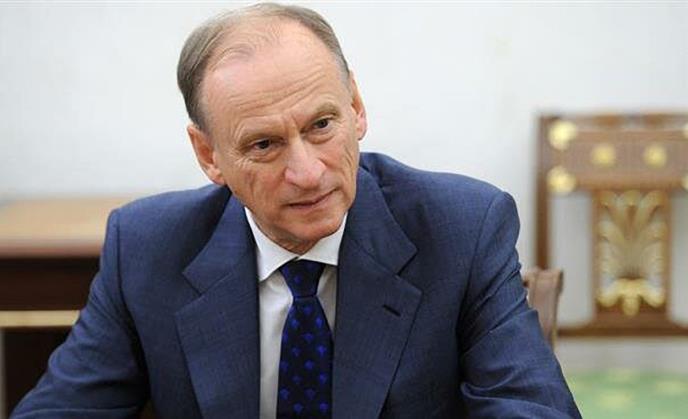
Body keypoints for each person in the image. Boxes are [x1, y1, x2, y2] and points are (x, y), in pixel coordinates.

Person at [13, 3, 580, 418]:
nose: (308, 172)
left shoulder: (462, 228)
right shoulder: (145, 248)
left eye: (322, 125)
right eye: (264, 144)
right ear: (209, 155)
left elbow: (529, 407)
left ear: (356, 108)